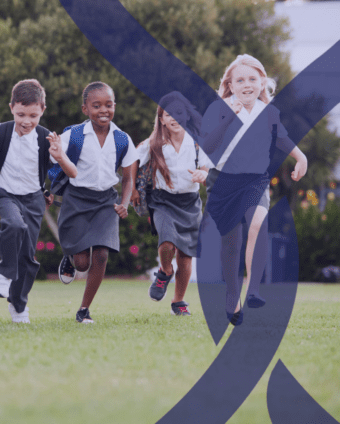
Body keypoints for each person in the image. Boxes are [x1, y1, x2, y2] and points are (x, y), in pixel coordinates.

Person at [201, 54, 307, 325]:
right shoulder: (218, 109)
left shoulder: (269, 112)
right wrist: (229, 119)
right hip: (224, 181)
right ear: (231, 85)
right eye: (240, 80)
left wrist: (301, 157)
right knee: (231, 242)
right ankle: (231, 295)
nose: (247, 84)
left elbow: (281, 138)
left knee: (258, 223)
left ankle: (255, 290)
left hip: (255, 180)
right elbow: (209, 146)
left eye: (252, 79)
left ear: (262, 82)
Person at [0, 79, 76, 323]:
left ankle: (19, 304)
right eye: (21, 113)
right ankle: (3, 275)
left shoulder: (48, 139)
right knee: (14, 225)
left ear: (42, 110)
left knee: (28, 258)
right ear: (11, 107)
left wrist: (59, 155)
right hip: (3, 193)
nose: (26, 121)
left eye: (33, 115)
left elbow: (72, 172)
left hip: (34, 199)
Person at [55, 82, 138, 324]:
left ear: (115, 106)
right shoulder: (73, 136)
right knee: (82, 263)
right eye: (96, 105)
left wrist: (124, 203)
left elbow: (128, 177)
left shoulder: (122, 139)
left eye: (109, 105)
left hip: (105, 202)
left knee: (101, 255)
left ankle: (84, 309)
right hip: (77, 199)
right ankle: (70, 258)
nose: (104, 110)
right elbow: (53, 159)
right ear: (85, 109)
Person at [131, 92, 210, 316]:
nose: (174, 118)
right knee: (166, 243)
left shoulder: (197, 142)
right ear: (162, 119)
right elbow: (133, 161)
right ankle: (165, 271)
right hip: (162, 201)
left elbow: (206, 168)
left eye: (179, 113)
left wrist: (202, 175)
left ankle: (179, 301)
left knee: (185, 256)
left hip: (190, 203)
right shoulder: (153, 143)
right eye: (168, 114)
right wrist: (134, 190)